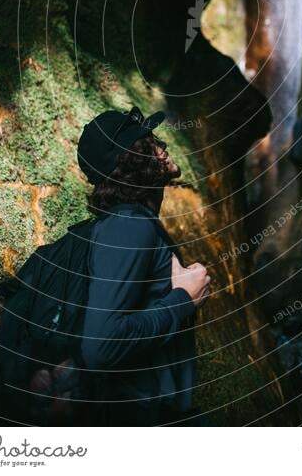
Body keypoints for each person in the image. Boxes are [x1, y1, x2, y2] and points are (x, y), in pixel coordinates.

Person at [77, 105, 210, 426]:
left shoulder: (136, 224)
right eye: (148, 141)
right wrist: (182, 300)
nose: (162, 147)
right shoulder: (129, 227)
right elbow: (101, 347)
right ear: (132, 158)